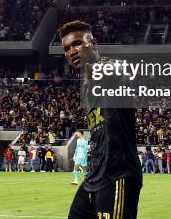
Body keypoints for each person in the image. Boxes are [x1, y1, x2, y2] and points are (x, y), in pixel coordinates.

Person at [60, 21, 142, 219]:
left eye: (78, 43)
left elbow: (119, 69)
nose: (72, 51)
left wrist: (97, 71)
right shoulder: (85, 86)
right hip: (94, 176)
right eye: (67, 48)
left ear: (94, 44)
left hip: (118, 175)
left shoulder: (111, 67)